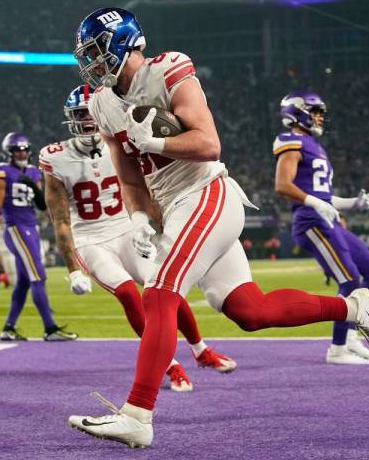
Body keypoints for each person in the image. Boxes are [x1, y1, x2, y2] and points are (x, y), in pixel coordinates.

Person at [67, 7, 369, 448]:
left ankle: (138, 414)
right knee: (249, 310)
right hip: (173, 206)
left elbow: (208, 142)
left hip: (206, 193)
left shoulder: (168, 69)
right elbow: (128, 175)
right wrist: (140, 217)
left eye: (96, 52)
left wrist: (158, 141)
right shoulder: (102, 102)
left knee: (160, 293)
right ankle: (354, 308)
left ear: (123, 41)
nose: (91, 63)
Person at [42, 84, 236, 393]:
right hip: (91, 239)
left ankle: (201, 350)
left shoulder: (118, 141)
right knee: (129, 296)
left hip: (126, 227)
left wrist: (152, 224)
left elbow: (144, 186)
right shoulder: (54, 157)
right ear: (70, 118)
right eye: (81, 114)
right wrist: (73, 270)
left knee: (165, 289)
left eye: (91, 114)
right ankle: (170, 365)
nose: (88, 121)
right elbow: (61, 220)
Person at [273, 91, 369, 366]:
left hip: (326, 218)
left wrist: (352, 204)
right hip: (310, 221)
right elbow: (282, 185)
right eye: (315, 111)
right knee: (349, 280)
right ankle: (337, 348)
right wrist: (314, 203)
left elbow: (323, 196)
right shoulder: (291, 141)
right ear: (297, 111)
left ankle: (349, 337)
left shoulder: (314, 145)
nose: (320, 116)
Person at [0, 132, 77, 341]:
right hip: (16, 228)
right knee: (38, 276)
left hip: (31, 227)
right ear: (8, 152)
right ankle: (50, 328)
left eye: (25, 149)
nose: (22, 153)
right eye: (17, 149)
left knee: (25, 282)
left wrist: (32, 187)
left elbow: (42, 205)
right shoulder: (0, 172)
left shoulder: (34, 172)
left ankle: (8, 328)